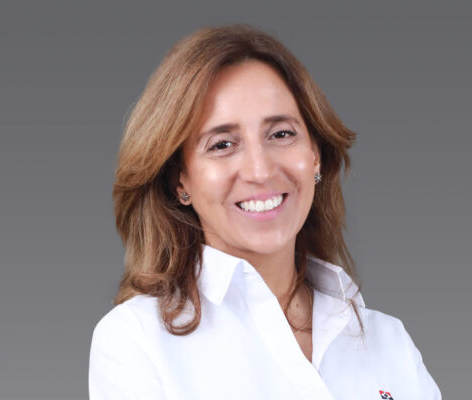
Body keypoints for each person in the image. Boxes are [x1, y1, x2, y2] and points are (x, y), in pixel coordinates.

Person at [89, 25, 441, 400]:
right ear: (180, 181)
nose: (260, 171)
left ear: (315, 154)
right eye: (222, 144)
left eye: (281, 134)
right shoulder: (137, 342)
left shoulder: (388, 344)